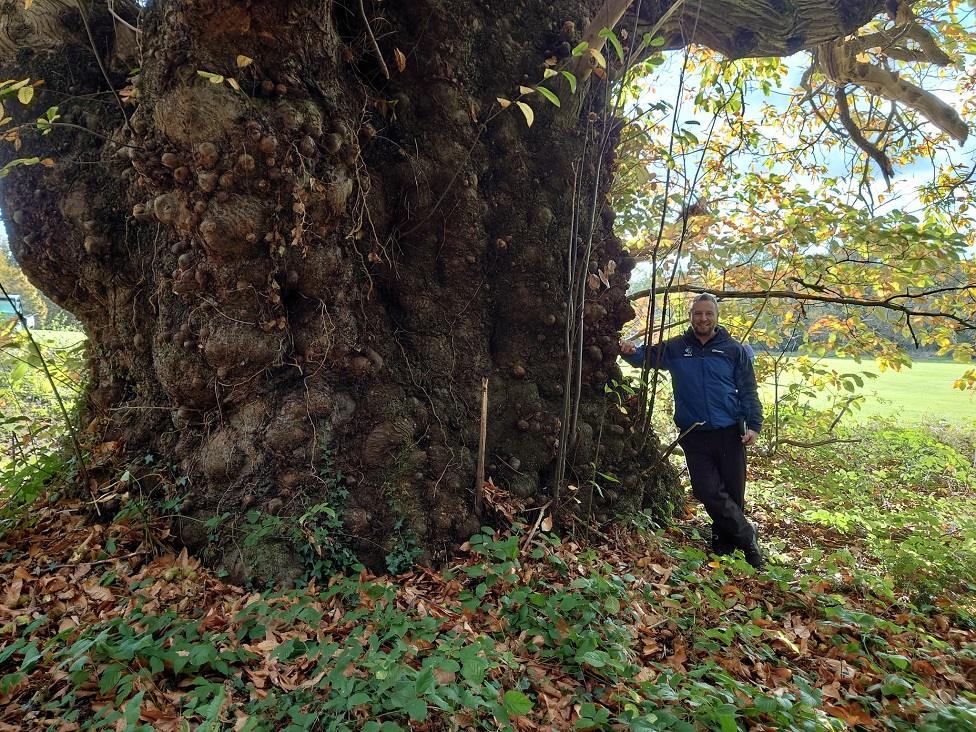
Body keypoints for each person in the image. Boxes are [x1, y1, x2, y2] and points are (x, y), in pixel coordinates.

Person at [620, 293, 765, 568]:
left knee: (733, 493)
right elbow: (647, 357)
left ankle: (724, 546)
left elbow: (748, 390)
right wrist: (628, 351)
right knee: (705, 489)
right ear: (691, 317)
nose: (703, 318)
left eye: (708, 313)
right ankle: (748, 536)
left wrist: (754, 424)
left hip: (729, 431)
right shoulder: (677, 347)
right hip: (694, 433)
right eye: (698, 313)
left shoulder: (733, 350)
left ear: (716, 317)